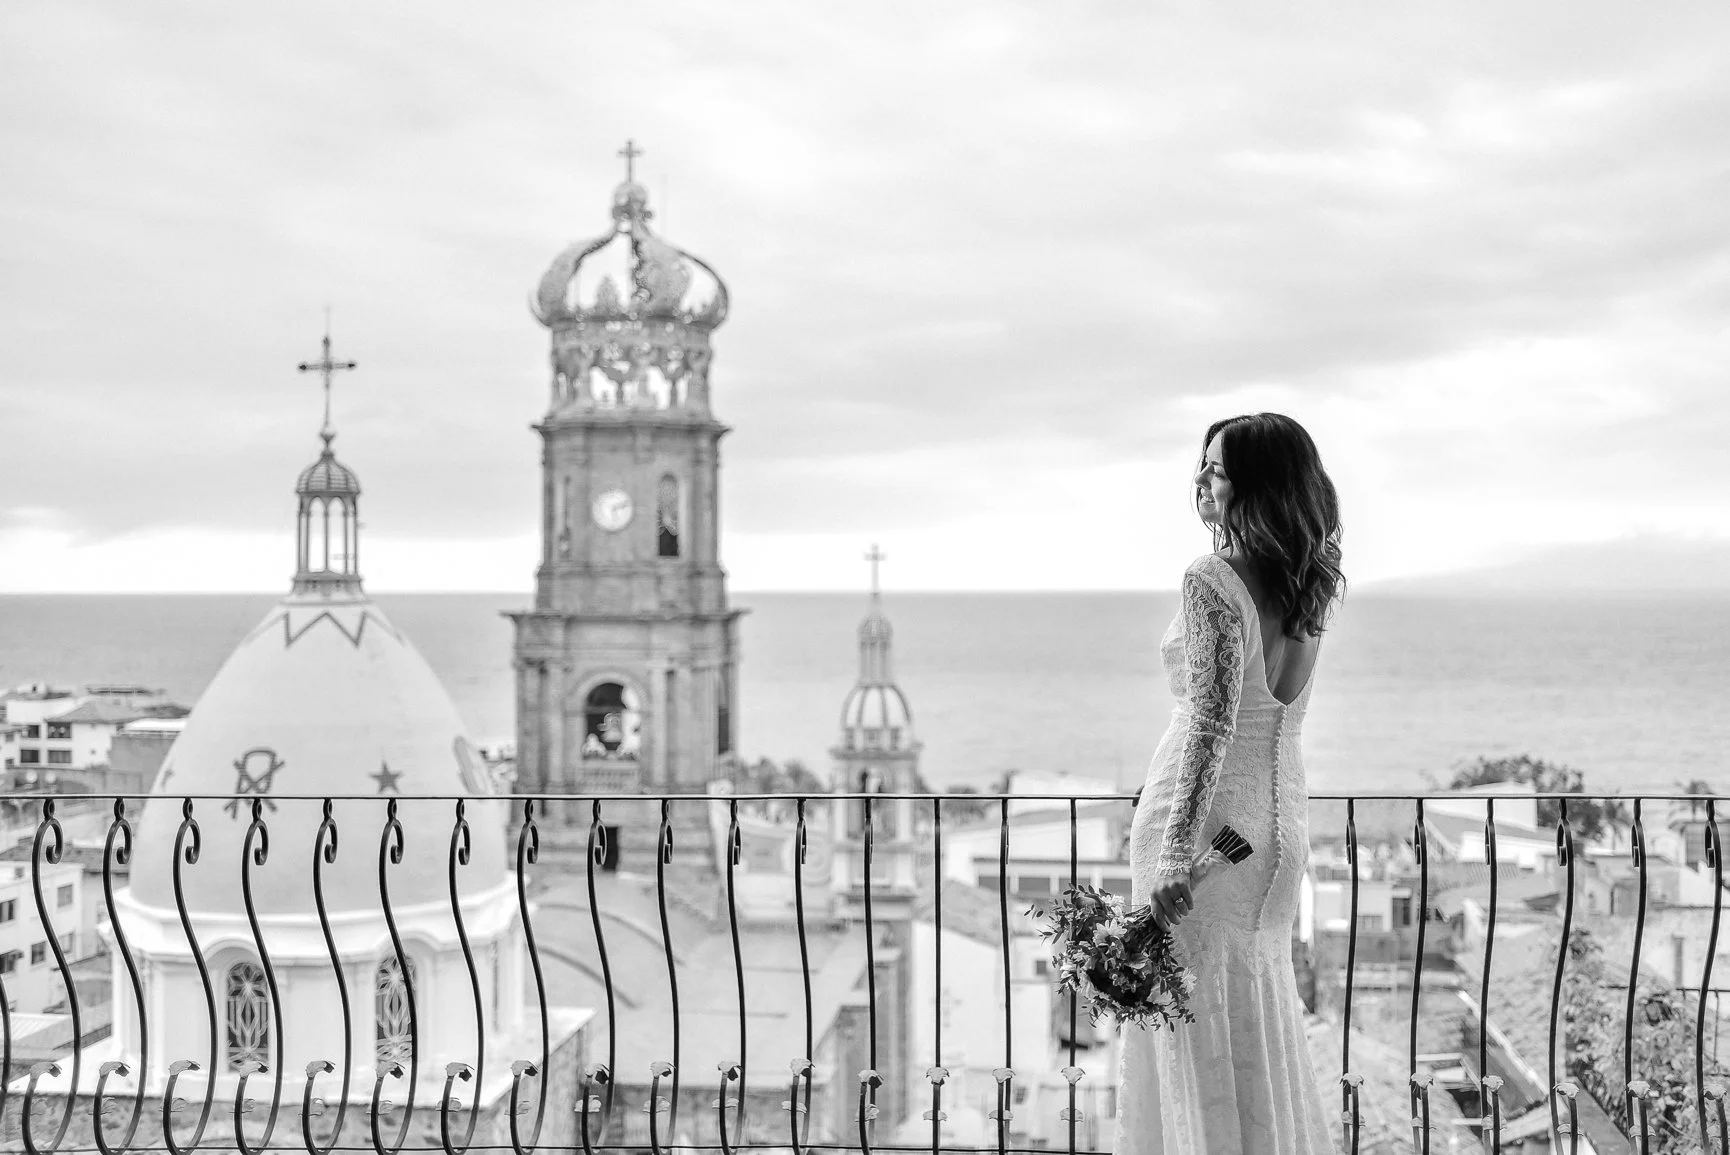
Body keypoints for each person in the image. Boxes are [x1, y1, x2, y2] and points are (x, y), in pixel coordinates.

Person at [1114, 412, 1345, 1155]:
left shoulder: (1212, 577)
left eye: (1214, 468)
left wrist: (1177, 853)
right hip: (1276, 830)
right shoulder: (1308, 579)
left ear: (1255, 486)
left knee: (1194, 1029)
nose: (1199, 481)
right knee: (1256, 1020)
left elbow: (1212, 724)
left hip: (1207, 828)